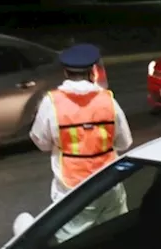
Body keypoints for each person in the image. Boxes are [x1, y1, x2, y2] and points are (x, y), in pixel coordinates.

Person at [29, 43, 133, 228]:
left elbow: (41, 141)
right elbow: (124, 142)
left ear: (65, 72)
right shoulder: (108, 100)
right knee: (115, 232)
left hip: (72, 188)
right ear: (93, 71)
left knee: (71, 240)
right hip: (108, 182)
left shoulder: (52, 102)